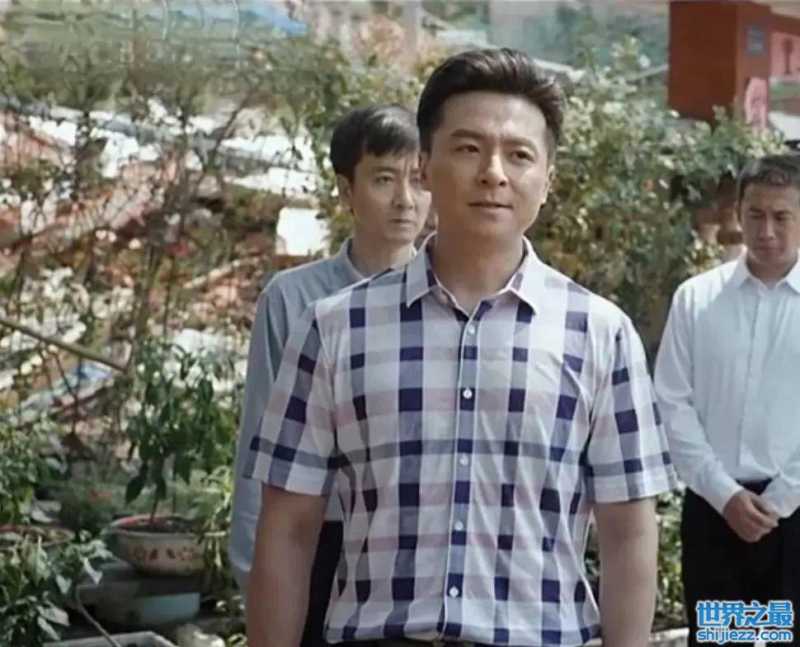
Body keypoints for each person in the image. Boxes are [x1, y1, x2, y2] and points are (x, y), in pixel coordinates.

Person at [246, 48, 676, 647]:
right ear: (425, 166)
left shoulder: (600, 335)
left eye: (519, 155)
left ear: (547, 181)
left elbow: (628, 535)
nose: (493, 173)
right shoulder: (336, 328)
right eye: (469, 148)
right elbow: (288, 530)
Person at [230, 104, 430, 647]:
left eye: (418, 180)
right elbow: (260, 443)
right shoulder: (293, 299)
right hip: (314, 539)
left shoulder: (449, 301)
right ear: (346, 190)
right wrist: (251, 571)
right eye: (384, 179)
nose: (405, 200)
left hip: (412, 547)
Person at [655, 153, 800, 646]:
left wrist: (779, 501)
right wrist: (725, 495)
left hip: (794, 517)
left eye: (782, 216)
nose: (767, 231)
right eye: (755, 214)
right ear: (739, 213)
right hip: (715, 514)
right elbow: (671, 403)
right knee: (724, 640)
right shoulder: (696, 299)